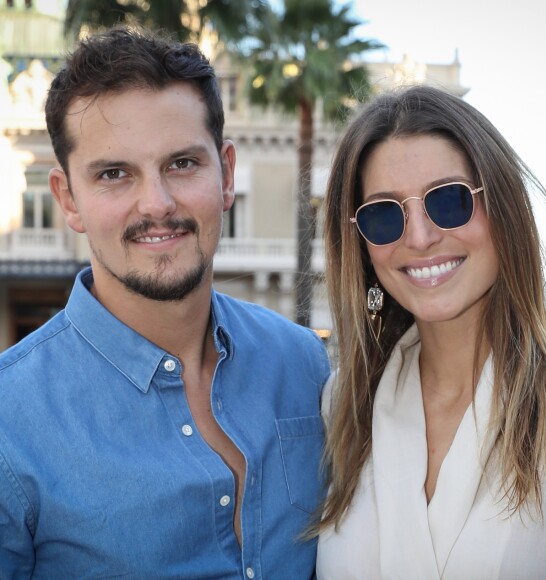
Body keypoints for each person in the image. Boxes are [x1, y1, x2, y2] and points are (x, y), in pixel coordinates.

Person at [0, 26, 330, 578]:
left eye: (182, 164)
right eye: (113, 174)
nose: (157, 204)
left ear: (226, 175)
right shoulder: (9, 417)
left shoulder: (302, 363)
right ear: (68, 200)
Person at [315, 85, 546, 578]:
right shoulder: (344, 406)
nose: (419, 237)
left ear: (503, 207)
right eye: (383, 214)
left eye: (450, 201)